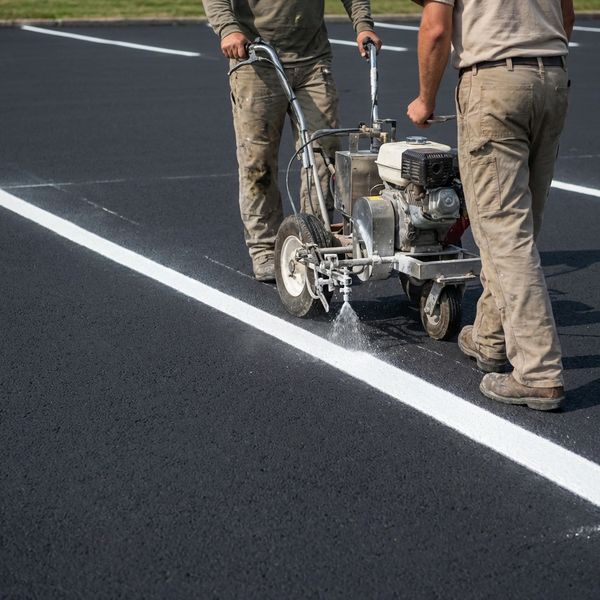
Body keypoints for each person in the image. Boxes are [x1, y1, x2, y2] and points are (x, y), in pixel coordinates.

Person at [407, 0, 574, 410]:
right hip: (551, 77)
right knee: (522, 224)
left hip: (495, 83)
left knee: (502, 232)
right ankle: (491, 337)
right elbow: (566, 14)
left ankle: (538, 372)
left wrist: (425, 100)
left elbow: (435, 28)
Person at [202, 0, 382, 281]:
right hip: (255, 59)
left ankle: (315, 239)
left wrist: (363, 25)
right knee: (257, 162)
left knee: (324, 155)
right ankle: (264, 248)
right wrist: (227, 29)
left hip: (313, 60)